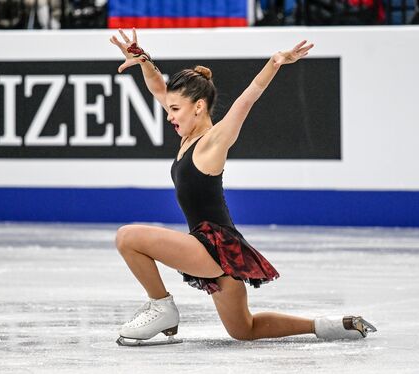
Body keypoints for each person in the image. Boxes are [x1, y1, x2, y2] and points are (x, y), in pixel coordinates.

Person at [110, 29, 376, 345]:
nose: (169, 115)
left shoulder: (214, 141)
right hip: (218, 253)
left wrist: (275, 63)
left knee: (127, 236)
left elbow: (248, 96)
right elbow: (157, 87)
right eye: (169, 109)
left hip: (212, 245)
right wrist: (144, 60)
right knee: (243, 329)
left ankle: (162, 307)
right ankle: (329, 325)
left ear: (198, 106)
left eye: (175, 109)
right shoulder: (187, 138)